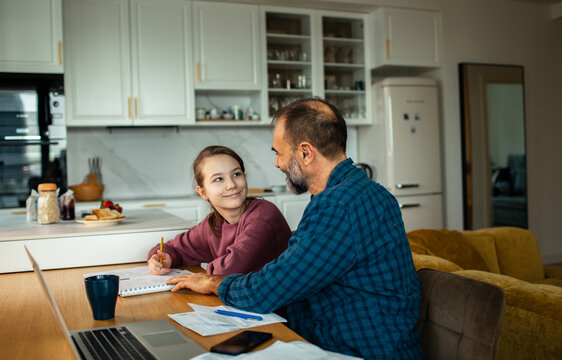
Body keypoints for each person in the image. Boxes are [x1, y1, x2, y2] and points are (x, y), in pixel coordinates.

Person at [166, 99, 422, 359]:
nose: (277, 163)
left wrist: (211, 282)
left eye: (279, 152)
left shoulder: (339, 205)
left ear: (306, 153)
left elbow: (268, 289)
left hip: (359, 352)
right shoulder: (359, 192)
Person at [147, 145, 291, 276]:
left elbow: (230, 270)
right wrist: (162, 258)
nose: (231, 185)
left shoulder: (264, 215)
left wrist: (202, 274)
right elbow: (174, 248)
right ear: (203, 192)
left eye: (236, 174)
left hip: (279, 304)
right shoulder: (214, 224)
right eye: (218, 179)